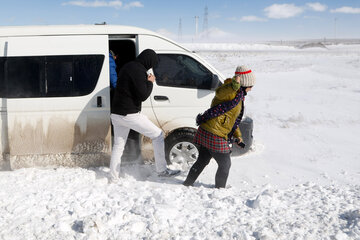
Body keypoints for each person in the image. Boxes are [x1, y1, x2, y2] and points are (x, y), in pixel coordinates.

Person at [110, 49, 180, 183]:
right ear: (148, 61)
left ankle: (114, 178)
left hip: (116, 114)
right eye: (152, 63)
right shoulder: (138, 70)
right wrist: (150, 82)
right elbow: (143, 95)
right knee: (158, 135)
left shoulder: (128, 66)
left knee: (118, 146)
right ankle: (162, 170)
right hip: (129, 114)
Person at [183, 65, 255, 188]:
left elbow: (232, 120)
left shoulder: (238, 96)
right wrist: (234, 85)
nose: (251, 89)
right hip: (214, 133)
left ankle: (187, 184)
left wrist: (238, 136)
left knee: (203, 160)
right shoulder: (231, 91)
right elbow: (219, 93)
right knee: (225, 164)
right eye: (250, 86)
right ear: (244, 84)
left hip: (209, 130)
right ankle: (220, 190)